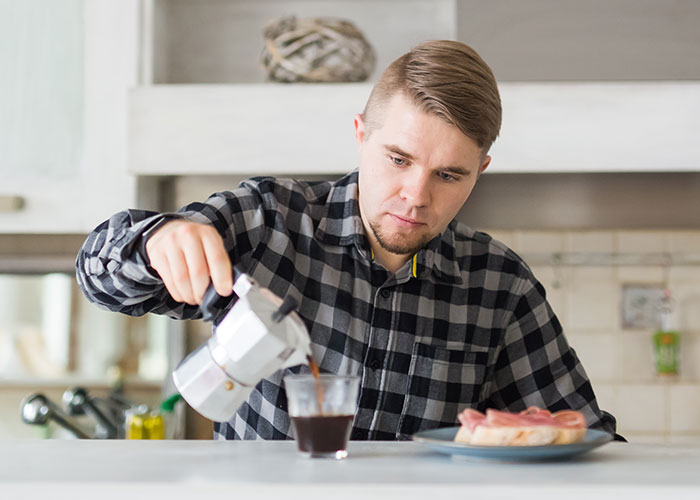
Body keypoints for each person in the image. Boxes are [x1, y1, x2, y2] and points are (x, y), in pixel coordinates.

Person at [76, 40, 618, 440]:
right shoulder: (271, 222)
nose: (415, 195)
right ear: (361, 135)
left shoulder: (500, 288)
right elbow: (98, 275)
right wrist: (154, 242)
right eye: (398, 159)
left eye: (449, 175)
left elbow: (587, 437)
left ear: (482, 170)